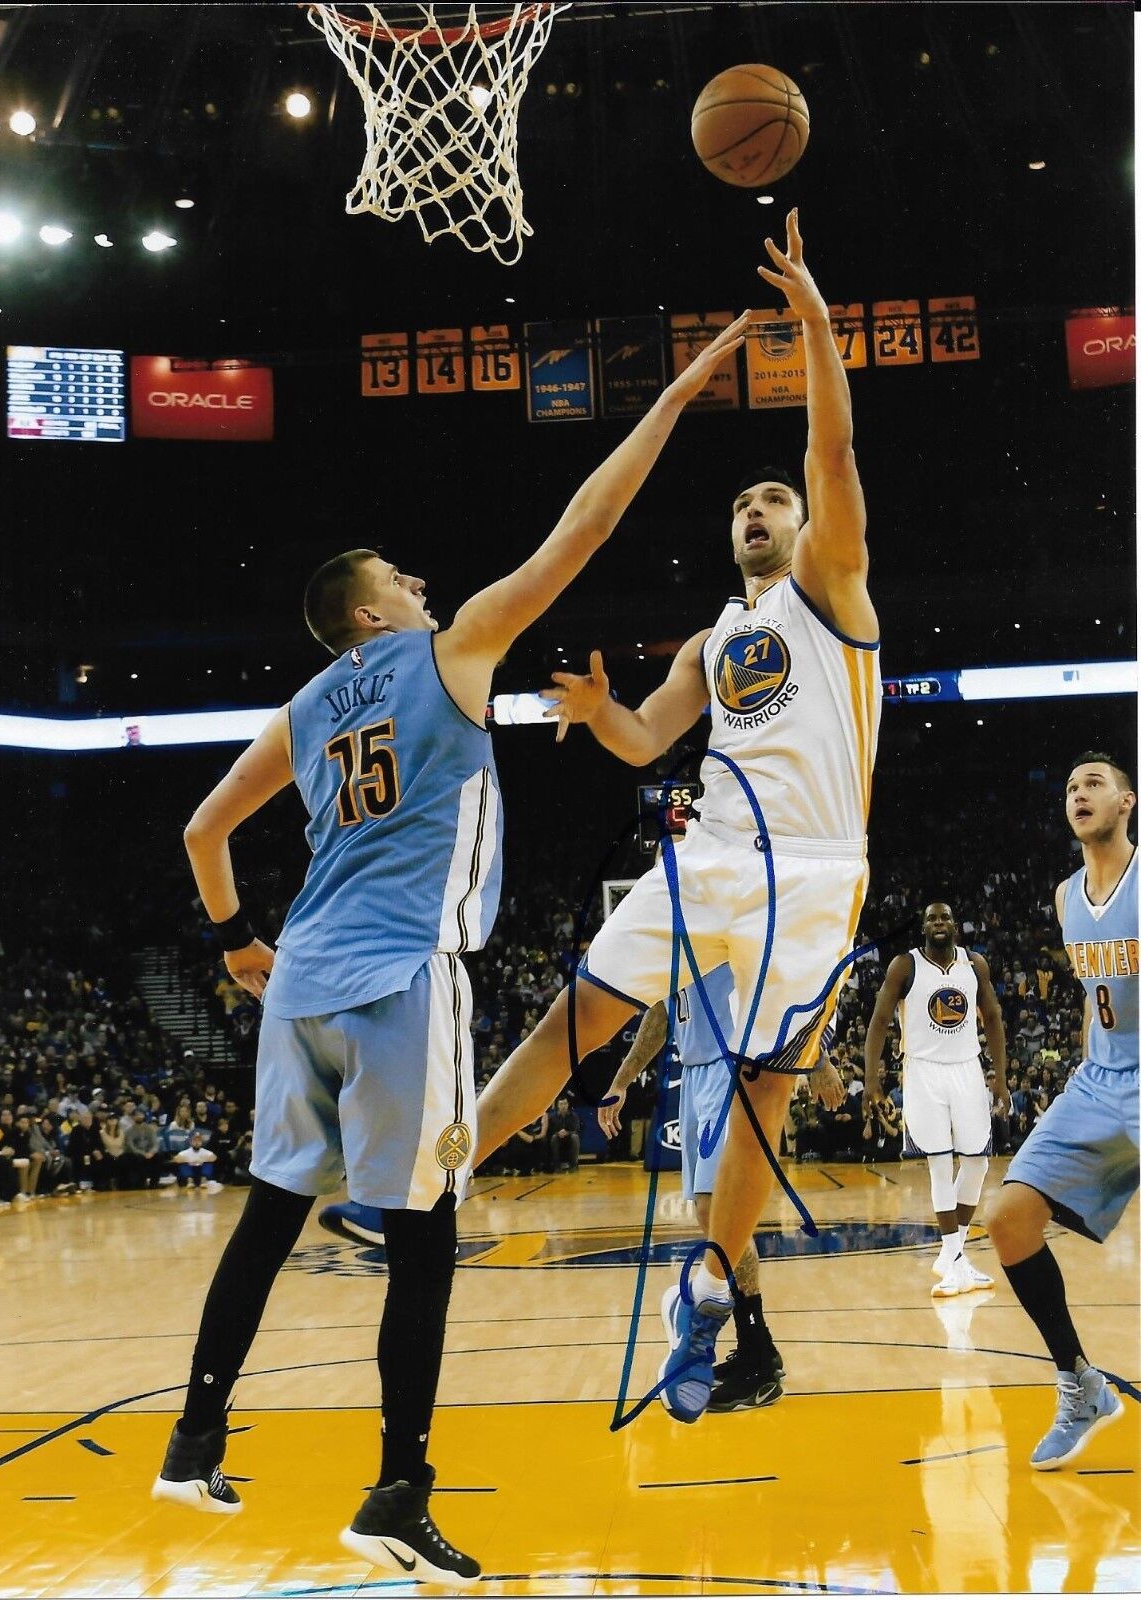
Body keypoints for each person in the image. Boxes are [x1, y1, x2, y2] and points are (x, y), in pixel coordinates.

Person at [149, 313, 750, 1581]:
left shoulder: (306, 705)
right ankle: (396, 1493)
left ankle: (193, 1438)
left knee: (270, 1213)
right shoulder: (448, 646)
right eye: (406, 581)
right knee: (424, 1237)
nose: (426, 587)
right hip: (400, 977)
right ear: (375, 609)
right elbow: (579, 530)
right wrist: (679, 396)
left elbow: (205, 831)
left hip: (301, 977)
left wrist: (236, 942)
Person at [470, 208, 878, 1422]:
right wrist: (598, 710)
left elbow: (835, 464)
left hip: (812, 868)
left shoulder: (836, 596)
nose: (760, 510)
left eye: (775, 500)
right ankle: (436, 1182)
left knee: (764, 1087)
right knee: (576, 1014)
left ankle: (712, 1282)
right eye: (745, 503)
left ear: (804, 530)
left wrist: (813, 327)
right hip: (712, 853)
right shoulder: (713, 637)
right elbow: (652, 740)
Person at [987, 753, 1137, 1469]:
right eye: (1071, 785)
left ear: (1127, 802)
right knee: (1008, 1219)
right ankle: (1080, 1385)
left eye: (1094, 785)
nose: (1078, 794)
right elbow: (1091, 996)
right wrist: (1081, 1071)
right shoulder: (1064, 896)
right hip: (1098, 1079)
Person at [599, 966, 836, 1413]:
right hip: (694, 1074)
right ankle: (757, 1350)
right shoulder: (678, 934)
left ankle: (757, 1361)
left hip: (734, 1069)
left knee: (721, 1211)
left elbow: (784, 984)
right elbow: (662, 1013)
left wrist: (819, 1061)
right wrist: (622, 1079)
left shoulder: (731, 912)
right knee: (710, 1218)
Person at [864, 902, 1009, 1297]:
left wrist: (1001, 1078)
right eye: (931, 918)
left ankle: (953, 1256)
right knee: (940, 1164)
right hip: (924, 1070)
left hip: (967, 1068)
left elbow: (993, 1017)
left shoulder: (974, 964)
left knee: (977, 1163)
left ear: (955, 925)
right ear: (923, 928)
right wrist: (872, 1080)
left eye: (945, 917)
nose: (939, 923)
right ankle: (954, 1261)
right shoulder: (904, 966)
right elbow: (878, 1021)